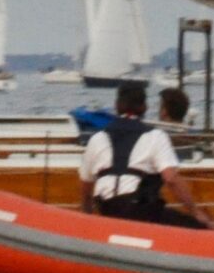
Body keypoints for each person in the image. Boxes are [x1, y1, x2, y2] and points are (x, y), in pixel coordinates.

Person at [82, 82, 203, 226]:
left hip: (107, 208)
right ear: (144, 107)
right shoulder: (156, 136)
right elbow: (171, 178)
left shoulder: (96, 138)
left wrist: (87, 222)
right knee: (194, 225)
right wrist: (196, 212)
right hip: (140, 211)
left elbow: (86, 191)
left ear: (117, 105)